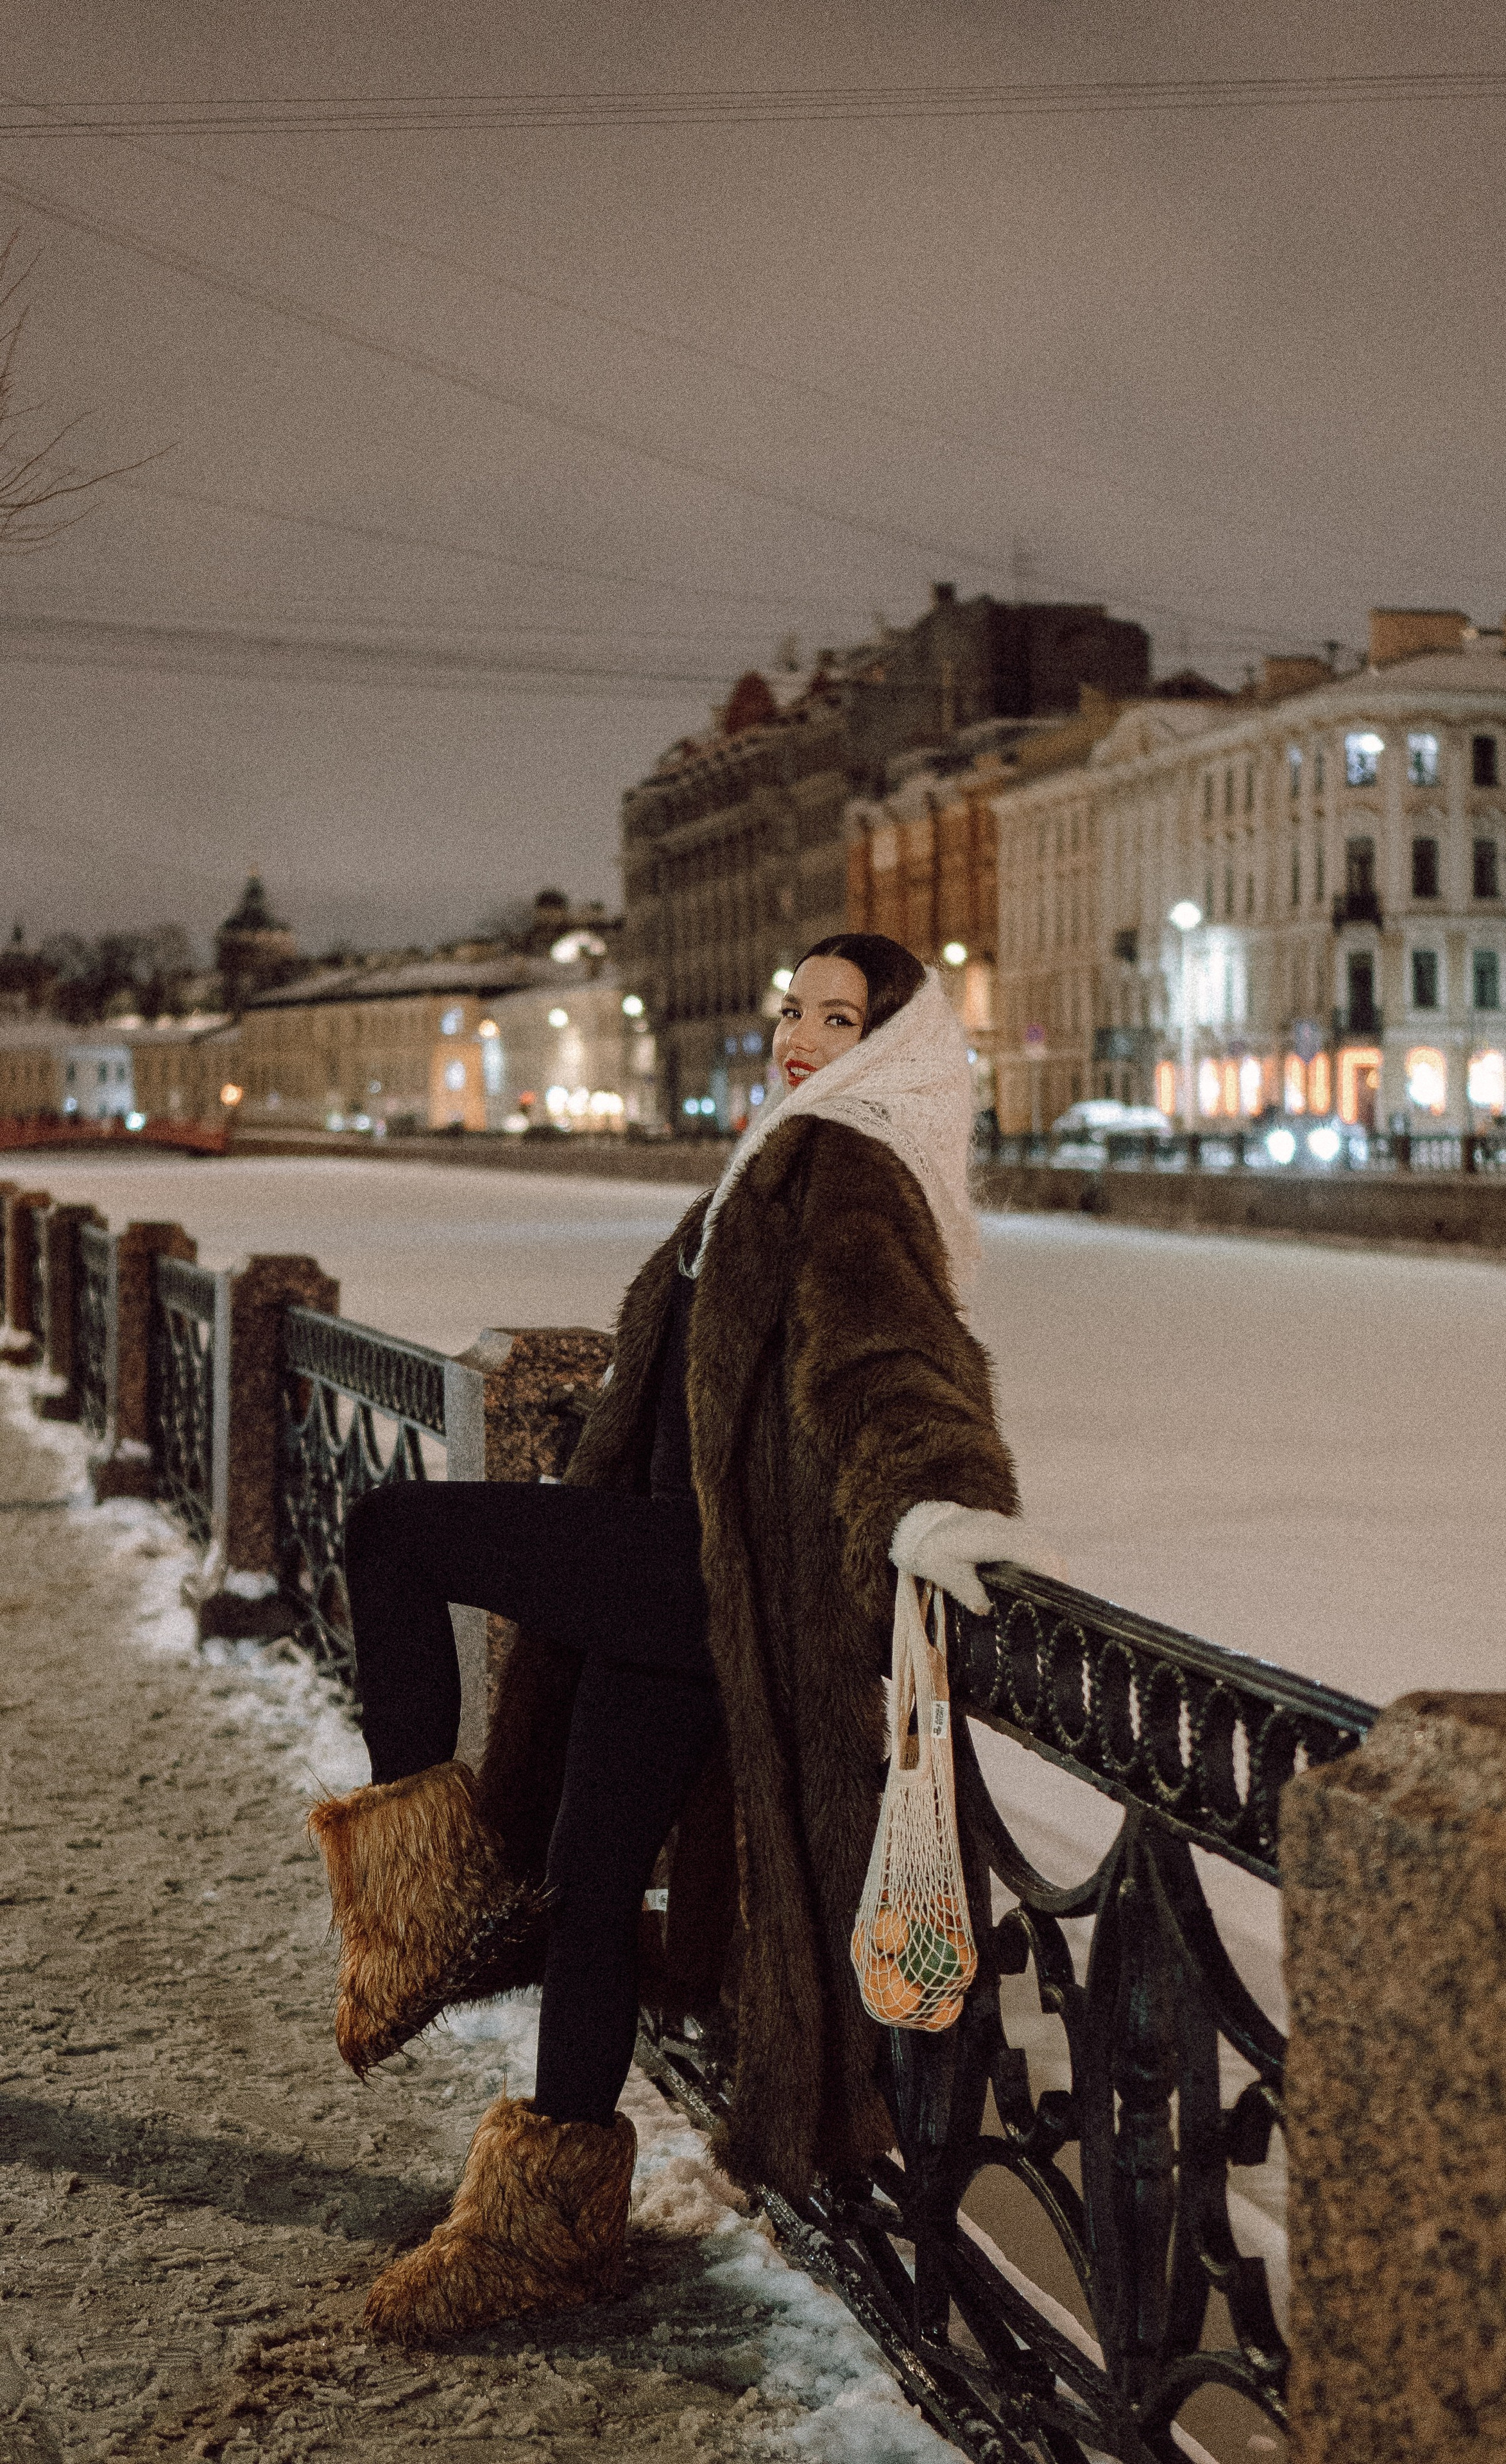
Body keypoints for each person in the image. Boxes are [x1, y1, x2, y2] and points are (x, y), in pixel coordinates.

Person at [310, 932, 1064, 2341]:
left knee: (393, 1531)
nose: (798, 1037)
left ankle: (420, 1900)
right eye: (794, 1009)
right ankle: (539, 2233)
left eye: (838, 1019)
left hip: (708, 1577)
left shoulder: (843, 1165)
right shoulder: (773, 1162)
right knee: (593, 1885)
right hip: (681, 1583)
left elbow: (889, 1358)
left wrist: (933, 1499)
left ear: (892, 1048)